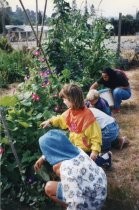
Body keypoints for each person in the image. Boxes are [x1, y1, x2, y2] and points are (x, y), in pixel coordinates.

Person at [34, 129, 107, 210]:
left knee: (49, 187)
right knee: (58, 171)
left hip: (92, 204)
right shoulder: (77, 150)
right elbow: (58, 147)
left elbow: (76, 203)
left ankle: (66, 206)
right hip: (100, 189)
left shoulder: (66, 170)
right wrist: (43, 157)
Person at [40, 83, 102, 161]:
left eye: (64, 99)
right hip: (75, 147)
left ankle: (105, 158)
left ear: (73, 100)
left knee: (92, 162)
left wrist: (95, 151)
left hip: (86, 150)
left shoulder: (87, 116)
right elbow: (60, 119)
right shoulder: (70, 112)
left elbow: (95, 136)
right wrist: (50, 121)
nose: (63, 102)